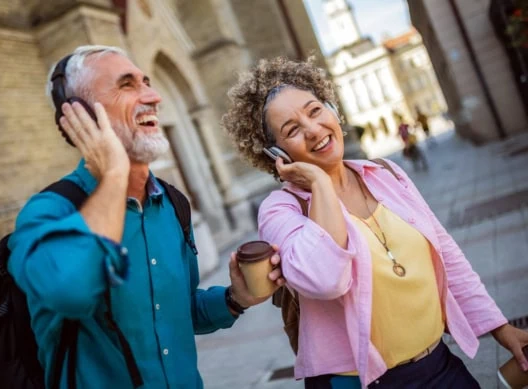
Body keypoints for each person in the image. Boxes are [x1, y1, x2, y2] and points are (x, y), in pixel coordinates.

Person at [222, 56, 528, 389]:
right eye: (292, 130)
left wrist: (499, 327)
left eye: (314, 111)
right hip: (361, 382)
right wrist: (320, 184)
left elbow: (447, 255)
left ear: (332, 109)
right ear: (275, 154)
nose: (313, 130)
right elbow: (326, 280)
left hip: (438, 365)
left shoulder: (385, 173)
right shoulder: (280, 210)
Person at [7, 45, 285, 389]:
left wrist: (234, 299)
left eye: (147, 82)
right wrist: (112, 176)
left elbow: (176, 314)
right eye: (127, 85)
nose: (154, 97)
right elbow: (72, 292)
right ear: (80, 115)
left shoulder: (173, 204)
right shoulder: (47, 212)